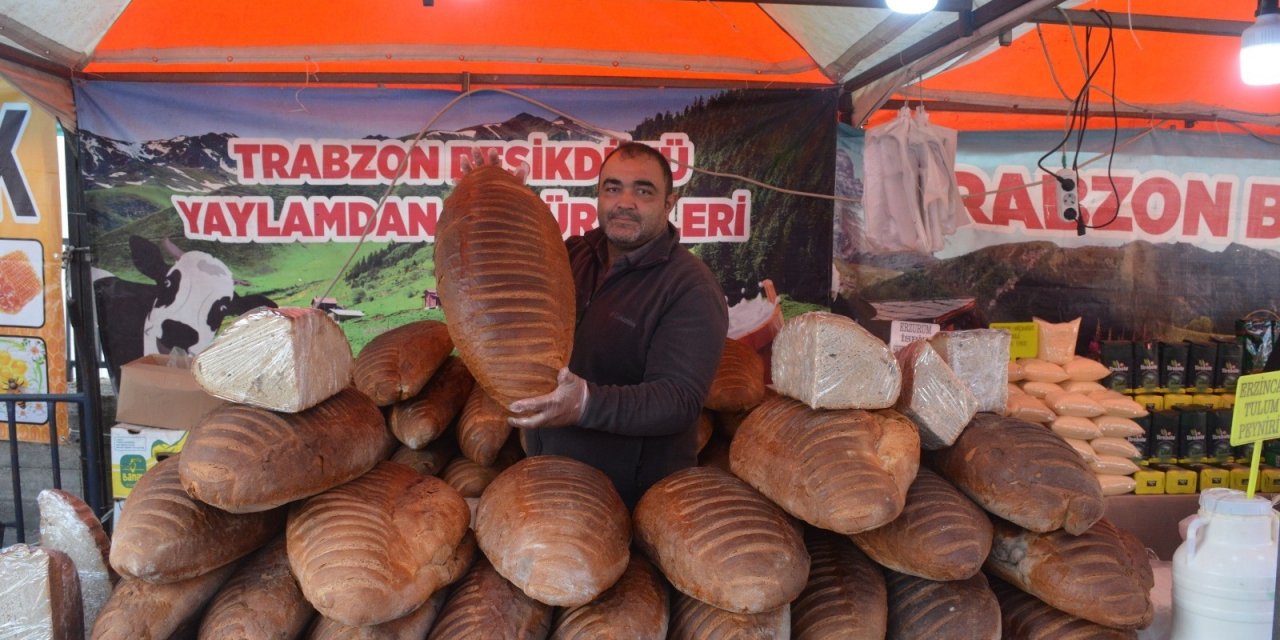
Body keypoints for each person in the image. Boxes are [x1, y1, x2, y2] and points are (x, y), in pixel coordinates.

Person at [504, 142, 729, 508]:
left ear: (669, 203)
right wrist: (504, 198)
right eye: (612, 188)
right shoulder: (574, 254)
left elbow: (678, 400)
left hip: (634, 498)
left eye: (643, 191)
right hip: (553, 477)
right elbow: (514, 274)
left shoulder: (691, 287)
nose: (625, 202)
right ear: (599, 195)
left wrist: (585, 404)